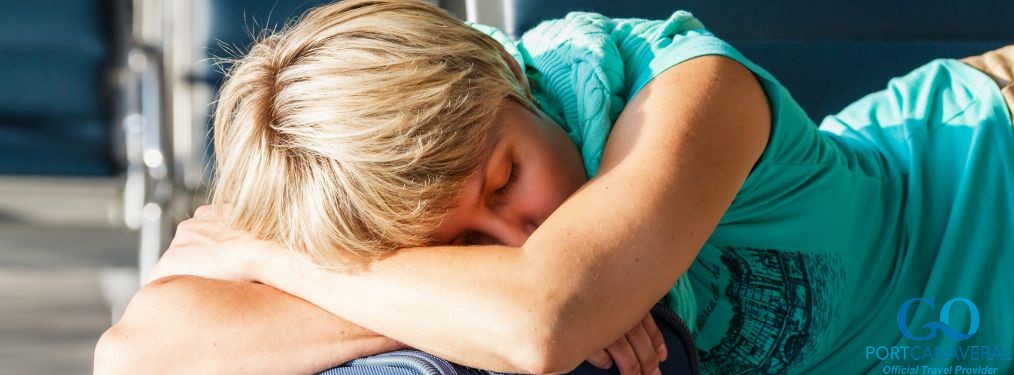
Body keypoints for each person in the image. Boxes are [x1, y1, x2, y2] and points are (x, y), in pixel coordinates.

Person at [93, 0, 1014, 374]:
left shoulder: (686, 90)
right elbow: (133, 354)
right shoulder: (412, 204)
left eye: (506, 177)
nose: (520, 233)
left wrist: (271, 257)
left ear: (513, 85)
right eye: (459, 247)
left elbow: (539, 318)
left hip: (991, 159)